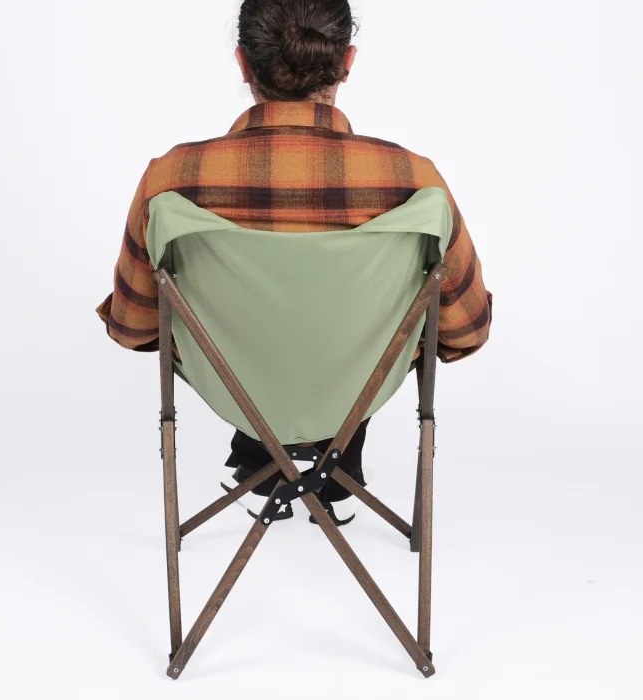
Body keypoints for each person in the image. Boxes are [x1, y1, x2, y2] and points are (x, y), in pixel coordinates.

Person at [96, 0, 492, 525]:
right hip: (358, 389)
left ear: (243, 63)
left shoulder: (170, 179)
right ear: (347, 61)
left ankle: (262, 457)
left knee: (245, 348)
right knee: (384, 338)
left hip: (233, 388)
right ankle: (335, 462)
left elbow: (132, 326)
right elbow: (466, 331)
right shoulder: (415, 182)